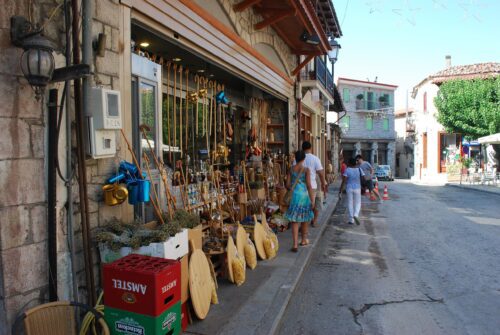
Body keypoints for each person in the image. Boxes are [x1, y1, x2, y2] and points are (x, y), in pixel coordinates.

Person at [285, 150, 315, 252]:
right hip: (303, 196)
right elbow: (309, 186)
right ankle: (303, 240)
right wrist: (312, 199)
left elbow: (288, 185)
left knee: (294, 220)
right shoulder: (306, 170)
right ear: (303, 159)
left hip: (294, 196)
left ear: (296, 158)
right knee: (304, 217)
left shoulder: (291, 169)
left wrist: (294, 185)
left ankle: (294, 244)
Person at [301, 141, 327, 227]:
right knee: (316, 204)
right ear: (310, 148)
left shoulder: (298, 159)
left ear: (302, 148)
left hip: (301, 187)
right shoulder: (315, 158)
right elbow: (320, 173)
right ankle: (314, 221)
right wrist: (323, 183)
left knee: (304, 206)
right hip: (313, 186)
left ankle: (304, 223)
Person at [338, 158, 364, 225]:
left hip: (349, 188)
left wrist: (340, 190)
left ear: (349, 163)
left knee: (350, 203)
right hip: (357, 188)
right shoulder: (359, 169)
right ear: (355, 163)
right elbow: (363, 178)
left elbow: (344, 181)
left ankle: (351, 220)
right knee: (358, 202)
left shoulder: (347, 170)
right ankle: (356, 215)